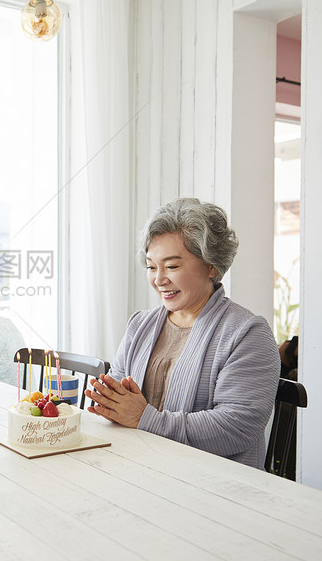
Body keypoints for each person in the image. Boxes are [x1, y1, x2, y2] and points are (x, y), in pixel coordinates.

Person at [85, 198, 279, 469]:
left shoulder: (247, 333)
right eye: (152, 267)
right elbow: (116, 406)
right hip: (138, 471)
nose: (159, 279)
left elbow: (237, 427)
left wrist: (145, 418)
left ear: (211, 266)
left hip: (213, 489)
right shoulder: (139, 325)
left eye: (172, 266)